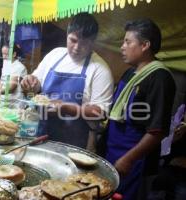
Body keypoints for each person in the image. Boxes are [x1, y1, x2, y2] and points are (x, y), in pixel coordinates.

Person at [104, 19, 176, 200]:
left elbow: (157, 130)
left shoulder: (159, 78)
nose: (122, 47)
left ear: (145, 45)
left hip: (135, 161)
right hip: (113, 153)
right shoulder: (130, 73)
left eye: (128, 42)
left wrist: (128, 159)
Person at [21, 12, 114, 148]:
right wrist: (29, 82)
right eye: (73, 40)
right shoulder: (55, 55)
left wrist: (65, 108)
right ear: (67, 35)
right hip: (41, 133)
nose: (77, 48)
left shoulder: (100, 69)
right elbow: (36, 85)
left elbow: (99, 112)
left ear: (93, 42)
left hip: (75, 141)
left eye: (84, 43)